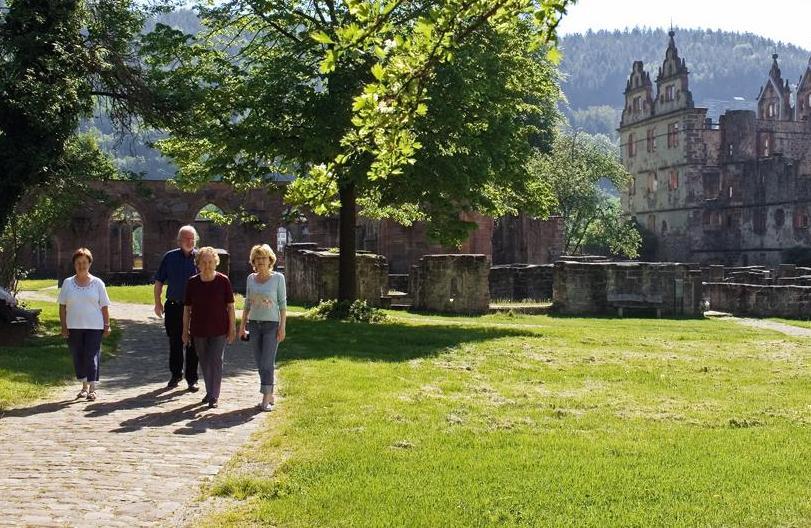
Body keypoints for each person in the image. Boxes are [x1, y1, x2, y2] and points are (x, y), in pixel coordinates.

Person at [182, 246, 235, 409]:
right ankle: (209, 390)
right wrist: (185, 330)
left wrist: (232, 328)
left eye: (210, 262)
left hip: (219, 328)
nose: (207, 265)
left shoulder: (223, 280)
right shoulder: (192, 282)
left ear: (216, 262)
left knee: (216, 360)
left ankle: (214, 396)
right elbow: (187, 309)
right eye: (203, 262)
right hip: (199, 329)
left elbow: (231, 307)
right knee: (204, 361)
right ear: (198, 264)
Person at [58, 248, 111, 401]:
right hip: (73, 326)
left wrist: (107, 325)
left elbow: (104, 306)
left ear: (89, 264)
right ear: (74, 264)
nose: (81, 266)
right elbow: (62, 306)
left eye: (84, 263)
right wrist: (63, 326)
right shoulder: (67, 283)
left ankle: (92, 388)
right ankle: (83, 386)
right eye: (78, 263)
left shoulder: (98, 283)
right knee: (78, 356)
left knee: (91, 356)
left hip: (95, 326)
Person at [239, 244, 287, 412]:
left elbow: (282, 304)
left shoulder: (278, 278)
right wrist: (242, 325)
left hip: (271, 325)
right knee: (260, 362)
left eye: (263, 258)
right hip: (254, 325)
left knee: (267, 362)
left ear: (270, 260)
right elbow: (247, 304)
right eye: (257, 258)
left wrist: (282, 327)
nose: (260, 261)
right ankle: (269, 391)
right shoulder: (250, 279)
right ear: (253, 261)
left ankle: (266, 397)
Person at [154, 225, 200, 391]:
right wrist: (157, 302)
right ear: (179, 241)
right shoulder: (170, 257)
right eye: (186, 239)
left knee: (193, 343)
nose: (189, 241)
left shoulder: (201, 257)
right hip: (174, 306)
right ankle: (175, 374)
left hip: (195, 308)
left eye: (192, 239)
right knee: (175, 342)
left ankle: (192, 378)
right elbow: (159, 280)